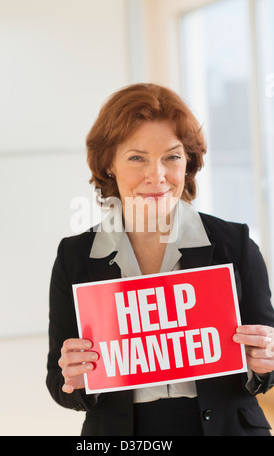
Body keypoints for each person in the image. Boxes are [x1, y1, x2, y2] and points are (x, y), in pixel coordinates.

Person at [46, 83, 274, 436]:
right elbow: (59, 383)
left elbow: (267, 362)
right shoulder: (75, 256)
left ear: (188, 161)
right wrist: (72, 376)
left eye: (172, 156)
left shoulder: (235, 243)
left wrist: (266, 360)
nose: (158, 175)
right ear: (109, 164)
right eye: (137, 158)